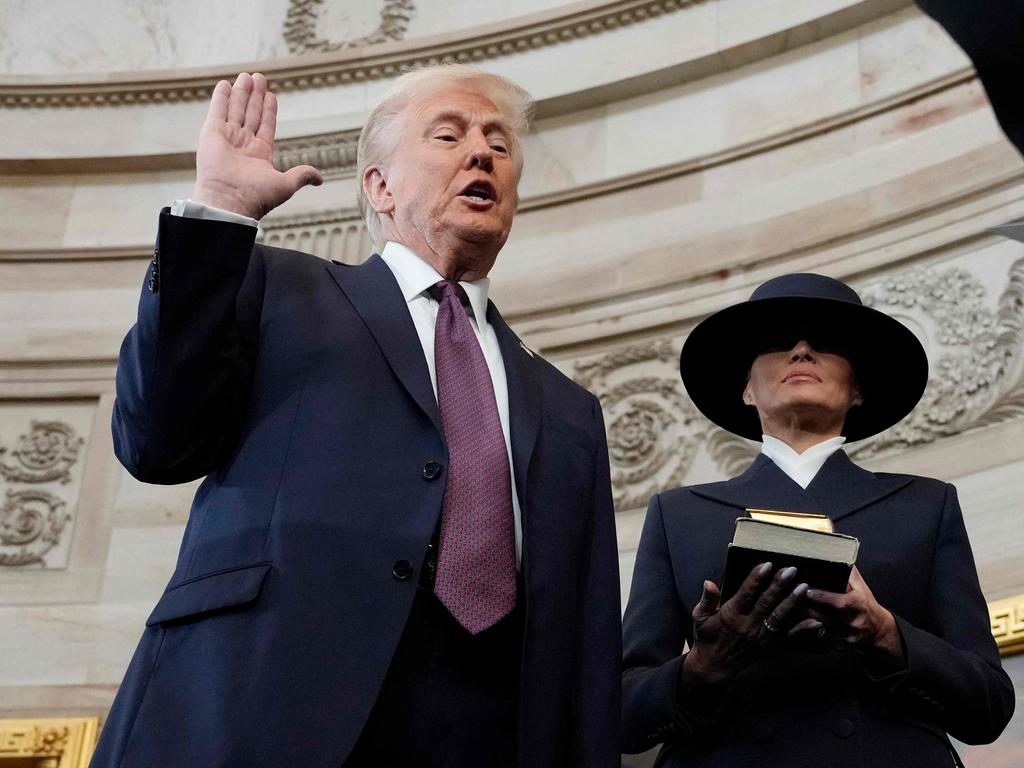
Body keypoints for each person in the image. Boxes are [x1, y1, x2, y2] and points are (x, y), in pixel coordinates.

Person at [91, 67, 620, 768]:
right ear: (381, 186)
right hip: (264, 703)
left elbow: (584, 643)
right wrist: (219, 211)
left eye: (500, 144)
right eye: (450, 134)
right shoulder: (277, 287)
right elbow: (156, 441)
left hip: (486, 734)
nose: (483, 153)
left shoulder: (569, 408)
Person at [621, 273, 1014, 767]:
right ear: (746, 390)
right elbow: (622, 714)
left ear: (858, 390)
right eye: (777, 343)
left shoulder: (925, 506)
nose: (802, 350)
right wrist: (702, 666)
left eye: (826, 344)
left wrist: (885, 633)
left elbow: (989, 706)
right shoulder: (678, 515)